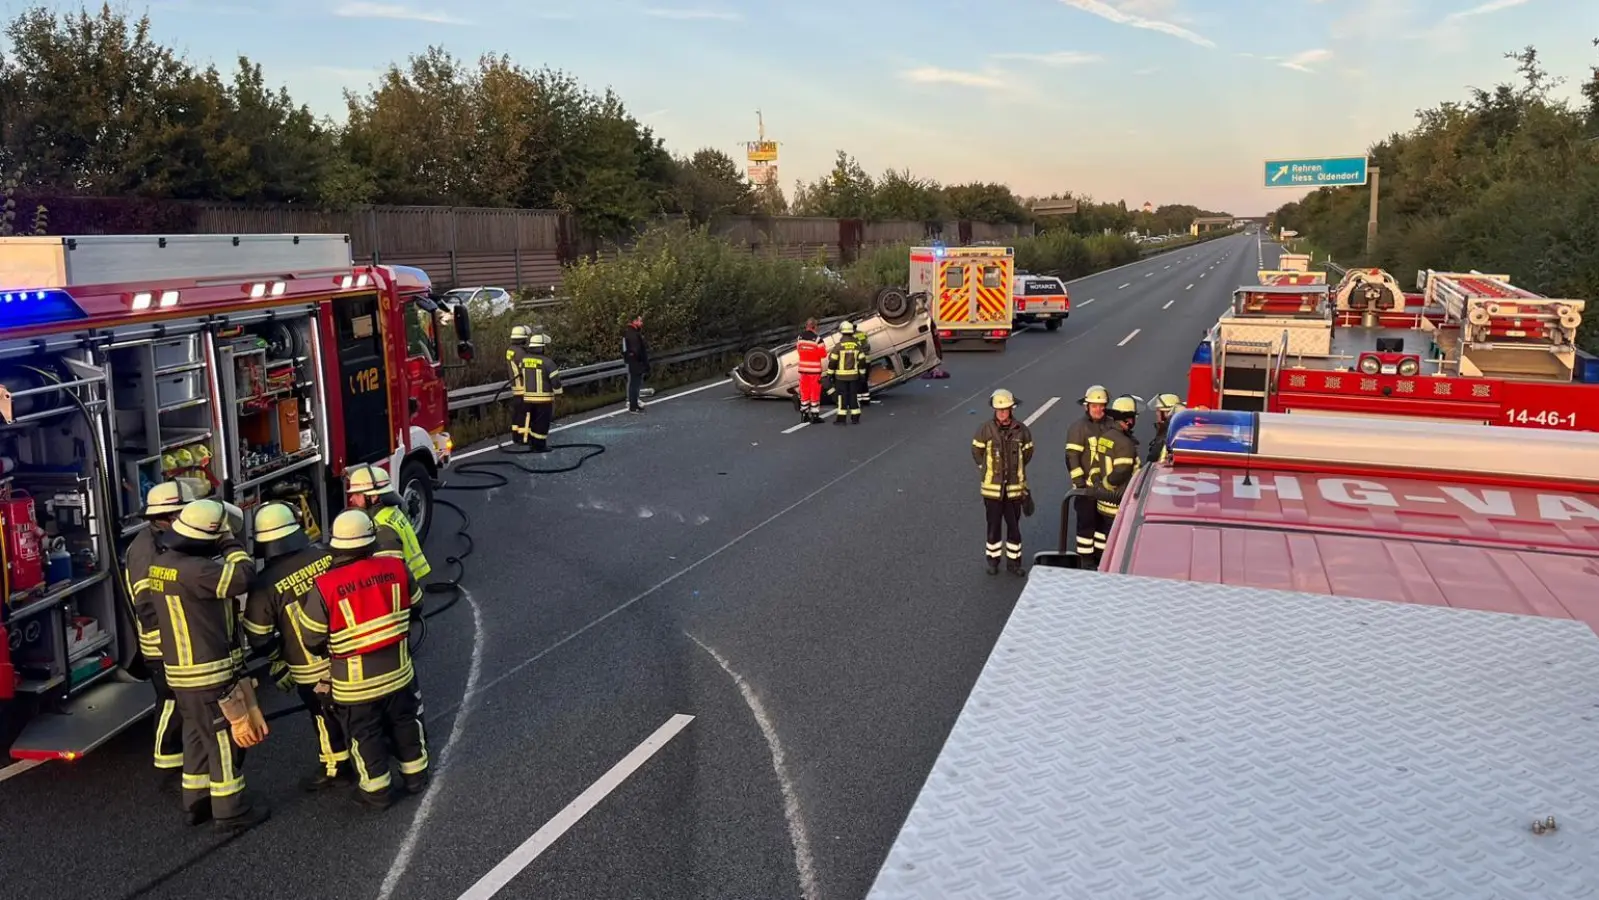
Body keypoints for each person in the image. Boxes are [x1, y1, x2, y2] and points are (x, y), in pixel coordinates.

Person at [145, 499, 266, 830]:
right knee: (224, 739)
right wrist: (229, 541)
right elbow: (243, 577)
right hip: (208, 672)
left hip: (180, 675)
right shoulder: (197, 571)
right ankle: (231, 810)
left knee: (196, 736)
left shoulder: (162, 563)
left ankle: (196, 801)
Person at [296, 510, 428, 809]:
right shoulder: (396, 567)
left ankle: (376, 791)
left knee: (364, 735)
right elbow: (417, 607)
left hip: (355, 687)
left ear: (337, 547)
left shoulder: (325, 586)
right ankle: (416, 777)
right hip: (400, 672)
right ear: (370, 543)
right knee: (405, 722)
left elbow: (312, 638)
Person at [241, 502, 348, 792]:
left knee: (323, 715)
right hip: (350, 650)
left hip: (308, 666)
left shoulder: (264, 586)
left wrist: (277, 660)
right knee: (361, 705)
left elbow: (258, 635)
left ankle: (336, 764)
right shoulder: (326, 554)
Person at [126, 480, 196, 774]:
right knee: (170, 699)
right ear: (170, 515)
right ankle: (167, 759)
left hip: (176, 638)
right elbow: (146, 606)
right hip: (162, 643)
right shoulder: (145, 551)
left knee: (181, 701)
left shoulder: (164, 539)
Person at [971, 389, 1035, 576]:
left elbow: (1028, 453)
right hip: (993, 490)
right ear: (994, 410)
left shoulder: (1022, 431)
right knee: (993, 528)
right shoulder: (985, 430)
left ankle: (1014, 564)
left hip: (1014, 490)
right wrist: (987, 470)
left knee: (1014, 528)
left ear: (1011, 409)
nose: (1003, 413)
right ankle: (993, 561)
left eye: (1006, 409)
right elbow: (977, 452)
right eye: (1000, 410)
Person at [344, 463, 430, 586]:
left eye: (357, 494)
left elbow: (387, 573)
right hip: (413, 574)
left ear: (373, 497)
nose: (351, 499)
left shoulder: (380, 526)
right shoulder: (391, 511)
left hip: (403, 583)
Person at [1065, 385, 1111, 567]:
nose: (1098, 409)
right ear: (1087, 406)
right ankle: (1085, 559)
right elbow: (1071, 457)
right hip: (1086, 488)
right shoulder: (1078, 428)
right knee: (1086, 524)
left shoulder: (1110, 424)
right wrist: (1079, 483)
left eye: (1101, 406)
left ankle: (1100, 556)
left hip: (1106, 487)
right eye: (1094, 406)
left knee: (1102, 524)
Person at [1093, 395, 1142, 556]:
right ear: (1127, 419)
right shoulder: (1124, 443)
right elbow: (1122, 471)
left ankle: (1100, 562)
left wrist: (1101, 486)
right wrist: (1108, 484)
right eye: (1133, 417)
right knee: (1119, 545)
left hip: (1103, 501)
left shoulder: (1105, 437)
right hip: (1118, 502)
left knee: (1105, 537)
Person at [512, 332, 563, 451]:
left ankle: (532, 443)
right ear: (542, 347)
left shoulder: (524, 360)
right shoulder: (548, 362)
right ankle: (540, 446)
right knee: (541, 424)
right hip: (543, 399)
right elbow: (555, 382)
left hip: (527, 399)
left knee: (532, 422)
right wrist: (559, 393)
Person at [827, 321, 865, 425]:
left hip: (841, 377)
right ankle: (855, 417)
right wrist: (862, 374)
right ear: (852, 332)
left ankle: (841, 418)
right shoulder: (857, 345)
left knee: (842, 397)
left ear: (842, 332)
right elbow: (862, 361)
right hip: (854, 376)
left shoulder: (838, 346)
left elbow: (833, 361)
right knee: (853, 396)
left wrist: (830, 374)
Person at [795, 319, 827, 424]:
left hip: (803, 370)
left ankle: (804, 415)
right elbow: (823, 354)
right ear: (815, 327)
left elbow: (798, 350)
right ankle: (815, 415)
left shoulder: (800, 338)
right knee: (815, 393)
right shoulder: (817, 340)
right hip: (814, 370)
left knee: (804, 392)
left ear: (806, 326)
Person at [1146, 393, 1184, 464]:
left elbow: (1153, 459)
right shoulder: (1175, 430)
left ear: (1167, 412)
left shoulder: (1166, 435)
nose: (1156, 414)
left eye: (1158, 411)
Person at [623, 314, 649, 413]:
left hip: (633, 362)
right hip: (636, 363)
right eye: (640, 321)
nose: (641, 323)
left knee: (635, 384)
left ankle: (634, 404)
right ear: (634, 321)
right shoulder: (632, 333)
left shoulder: (630, 332)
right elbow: (636, 350)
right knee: (634, 384)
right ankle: (633, 405)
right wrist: (641, 361)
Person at [506, 324, 531, 405]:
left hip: (516, 389)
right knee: (528, 415)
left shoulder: (510, 350)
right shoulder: (520, 352)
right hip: (524, 389)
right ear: (522, 339)